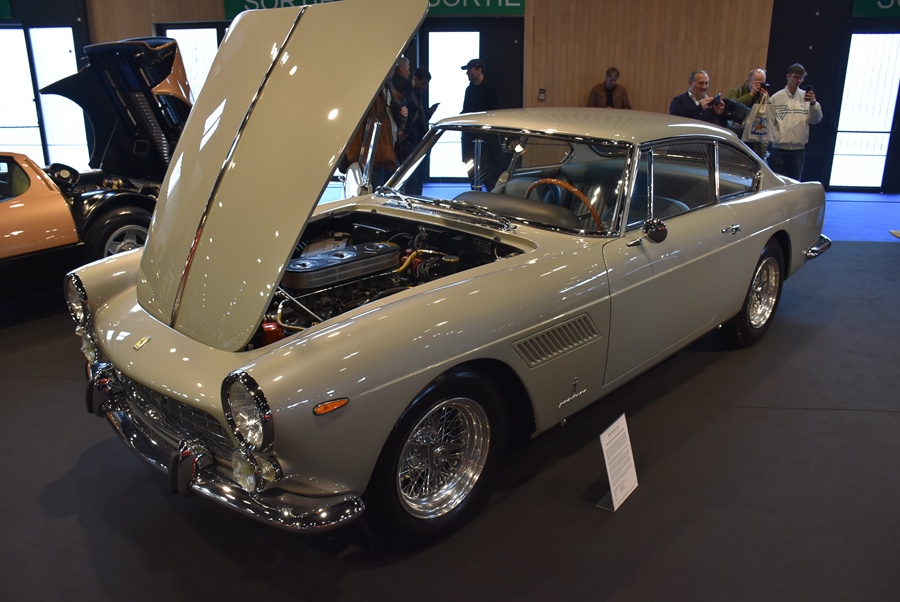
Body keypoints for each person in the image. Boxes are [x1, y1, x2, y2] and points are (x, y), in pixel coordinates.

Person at [345, 79, 408, 188]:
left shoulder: (389, 87)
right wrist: (357, 163)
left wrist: (402, 116)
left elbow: (393, 120)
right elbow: (354, 125)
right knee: (374, 194)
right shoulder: (368, 88)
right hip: (373, 159)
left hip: (389, 154)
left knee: (393, 193)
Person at [767, 63, 823, 181]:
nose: (798, 81)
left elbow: (816, 120)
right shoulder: (776, 98)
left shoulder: (806, 98)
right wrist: (772, 139)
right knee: (776, 183)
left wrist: (813, 104)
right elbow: (769, 122)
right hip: (778, 149)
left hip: (798, 150)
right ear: (788, 76)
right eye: (795, 77)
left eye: (801, 78)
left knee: (795, 183)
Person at [460, 58, 503, 189]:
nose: (467, 73)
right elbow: (466, 111)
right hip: (469, 137)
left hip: (486, 138)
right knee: (471, 171)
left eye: (469, 70)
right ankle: (474, 193)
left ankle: (493, 196)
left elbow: (495, 115)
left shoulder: (492, 90)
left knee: (488, 173)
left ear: (479, 70)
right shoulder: (469, 90)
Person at [398, 66, 439, 194]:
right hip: (411, 141)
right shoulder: (407, 94)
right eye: (423, 84)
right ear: (415, 79)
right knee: (412, 177)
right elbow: (408, 119)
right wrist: (406, 133)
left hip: (420, 140)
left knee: (419, 176)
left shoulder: (421, 96)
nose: (425, 87)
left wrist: (430, 112)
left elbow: (421, 118)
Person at [669, 70, 747, 128]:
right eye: (700, 83)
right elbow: (676, 118)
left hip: (707, 144)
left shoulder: (712, 105)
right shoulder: (678, 100)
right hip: (686, 143)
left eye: (706, 83)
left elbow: (721, 128)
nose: (704, 87)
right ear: (690, 83)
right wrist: (700, 108)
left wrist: (720, 114)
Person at [728, 68, 770, 158]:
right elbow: (733, 107)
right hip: (737, 138)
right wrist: (750, 95)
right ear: (748, 82)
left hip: (755, 142)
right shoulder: (735, 92)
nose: (759, 86)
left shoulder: (763, 96)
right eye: (757, 83)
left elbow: (767, 117)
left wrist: (766, 100)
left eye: (762, 83)